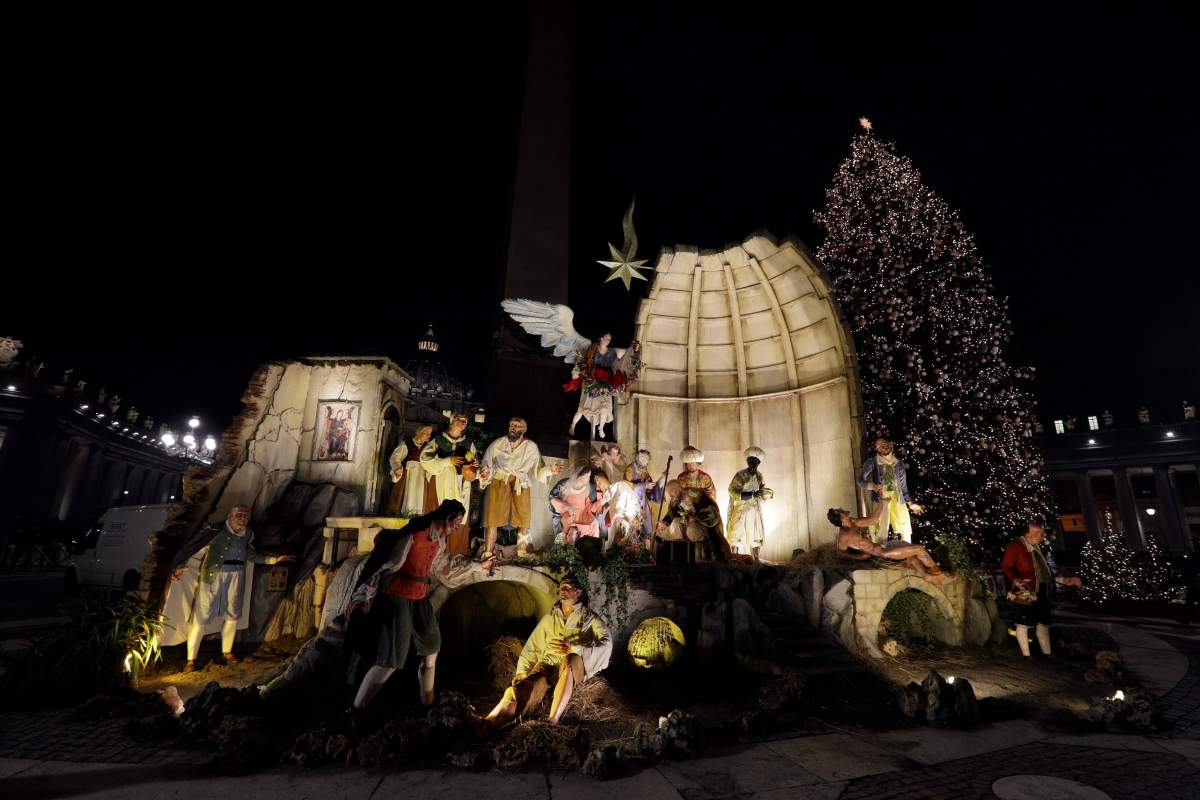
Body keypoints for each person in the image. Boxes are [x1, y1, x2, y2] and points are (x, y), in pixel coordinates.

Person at [345, 500, 465, 717]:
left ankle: (427, 706)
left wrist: (478, 566)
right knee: (390, 661)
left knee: (431, 647)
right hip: (397, 596)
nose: (458, 528)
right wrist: (365, 596)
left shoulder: (439, 540)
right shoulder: (413, 534)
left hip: (419, 598)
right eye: (457, 523)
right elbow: (385, 566)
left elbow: (443, 567)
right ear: (446, 518)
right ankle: (356, 710)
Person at [172, 506, 295, 671]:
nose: (242, 518)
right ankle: (191, 659)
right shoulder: (215, 530)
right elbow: (194, 547)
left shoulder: (248, 534)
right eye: (239, 515)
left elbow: (249, 555)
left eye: (246, 515)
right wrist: (179, 565)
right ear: (229, 516)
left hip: (236, 577)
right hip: (213, 577)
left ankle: (227, 651)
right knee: (201, 617)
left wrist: (273, 560)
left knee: (232, 615)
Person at [484, 574, 611, 728]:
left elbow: (606, 643)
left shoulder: (590, 619)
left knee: (570, 659)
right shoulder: (549, 619)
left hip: (571, 667)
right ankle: (488, 723)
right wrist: (522, 672)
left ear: (578, 592)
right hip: (548, 663)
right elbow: (533, 646)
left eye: (567, 587)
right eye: (560, 589)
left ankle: (552, 720)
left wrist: (574, 647)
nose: (562, 591)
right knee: (521, 689)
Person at [478, 417, 560, 559]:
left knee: (523, 518)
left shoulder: (531, 447)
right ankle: (488, 552)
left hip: (520, 483)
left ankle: (522, 551)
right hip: (500, 480)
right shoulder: (498, 443)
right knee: (493, 519)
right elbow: (487, 461)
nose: (512, 427)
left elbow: (538, 469)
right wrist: (485, 470)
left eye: (516, 425)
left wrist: (550, 470)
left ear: (524, 429)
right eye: (511, 425)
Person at [1000, 521, 1081, 660]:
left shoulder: (1038, 548)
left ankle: (1047, 653)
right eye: (1037, 533)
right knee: (1023, 622)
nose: (1041, 536)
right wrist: (1016, 580)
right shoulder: (1015, 546)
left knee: (1043, 622)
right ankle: (1026, 655)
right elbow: (1007, 566)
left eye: (1042, 533)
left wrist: (1064, 580)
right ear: (1027, 532)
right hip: (1025, 590)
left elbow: (1045, 573)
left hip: (1043, 590)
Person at [829, 504, 950, 584]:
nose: (842, 508)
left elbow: (873, 519)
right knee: (919, 549)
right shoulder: (844, 536)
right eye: (839, 511)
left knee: (912, 558)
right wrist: (858, 557)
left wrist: (882, 501)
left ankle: (926, 575)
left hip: (883, 547)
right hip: (882, 553)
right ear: (840, 517)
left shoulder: (853, 522)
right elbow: (840, 553)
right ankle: (937, 573)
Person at [419, 414, 480, 556]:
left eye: (466, 421)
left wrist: (475, 466)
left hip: (460, 484)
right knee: (438, 517)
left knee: (459, 520)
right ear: (452, 420)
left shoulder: (468, 443)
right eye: (461, 419)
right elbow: (425, 460)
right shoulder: (439, 440)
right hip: (442, 480)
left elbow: (474, 465)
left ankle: (456, 556)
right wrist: (447, 461)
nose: (464, 422)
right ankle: (431, 554)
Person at [858, 437, 924, 544]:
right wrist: (873, 486)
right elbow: (860, 480)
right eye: (880, 444)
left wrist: (910, 503)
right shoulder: (873, 462)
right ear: (877, 448)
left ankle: (906, 553)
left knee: (905, 528)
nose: (884, 446)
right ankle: (879, 552)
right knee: (880, 528)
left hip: (897, 498)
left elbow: (903, 487)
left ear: (890, 445)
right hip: (882, 497)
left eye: (885, 443)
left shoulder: (899, 463)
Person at [656, 480, 730, 562]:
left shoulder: (695, 494)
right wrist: (664, 522)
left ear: (678, 488)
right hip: (686, 525)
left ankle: (707, 556)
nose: (670, 494)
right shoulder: (675, 499)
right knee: (675, 523)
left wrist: (696, 517)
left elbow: (712, 510)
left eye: (671, 491)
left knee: (692, 530)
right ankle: (682, 555)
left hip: (702, 525)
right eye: (669, 492)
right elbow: (671, 514)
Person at [727, 447, 774, 560]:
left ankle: (756, 558)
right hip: (741, 509)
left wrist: (766, 494)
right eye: (751, 461)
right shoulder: (741, 475)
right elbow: (732, 490)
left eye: (755, 462)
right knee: (736, 534)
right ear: (748, 461)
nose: (753, 464)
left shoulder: (759, 476)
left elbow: (761, 490)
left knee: (756, 535)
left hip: (754, 510)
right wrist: (751, 495)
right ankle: (735, 557)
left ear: (758, 463)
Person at [385, 425, 434, 517]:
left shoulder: (428, 447)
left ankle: (416, 518)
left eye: (429, 434)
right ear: (418, 432)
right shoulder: (406, 444)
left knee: (419, 499)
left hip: (421, 477)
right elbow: (394, 458)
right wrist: (397, 468)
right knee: (404, 498)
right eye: (426, 434)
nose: (428, 436)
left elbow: (431, 463)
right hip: (407, 476)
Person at [549, 467, 606, 544]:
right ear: (579, 476)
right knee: (570, 532)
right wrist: (567, 507)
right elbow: (553, 499)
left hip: (583, 514)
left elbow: (589, 505)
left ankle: (592, 546)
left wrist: (600, 502)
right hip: (568, 513)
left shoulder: (588, 488)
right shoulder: (564, 485)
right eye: (586, 477)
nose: (588, 479)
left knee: (595, 523)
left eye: (589, 476)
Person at [624, 448, 665, 543]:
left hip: (643, 503)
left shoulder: (645, 471)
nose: (643, 460)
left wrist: (662, 478)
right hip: (632, 503)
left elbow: (652, 488)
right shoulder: (630, 469)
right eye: (641, 457)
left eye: (646, 458)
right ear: (636, 458)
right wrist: (643, 485)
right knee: (633, 529)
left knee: (647, 528)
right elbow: (626, 486)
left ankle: (646, 554)